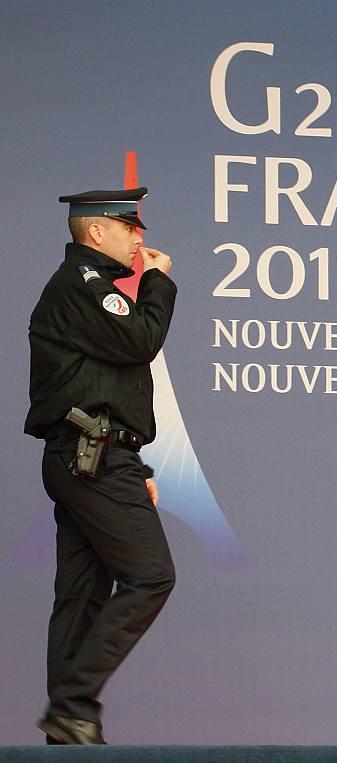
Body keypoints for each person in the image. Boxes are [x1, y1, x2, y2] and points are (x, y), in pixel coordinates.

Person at [24, 187, 178, 745]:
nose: (139, 236)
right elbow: (140, 340)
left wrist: (133, 465)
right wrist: (158, 282)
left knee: (82, 593)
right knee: (151, 576)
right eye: (127, 226)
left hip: (91, 455)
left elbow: (105, 387)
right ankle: (72, 706)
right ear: (95, 232)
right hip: (90, 457)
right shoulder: (84, 285)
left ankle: (67, 732)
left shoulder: (90, 290)